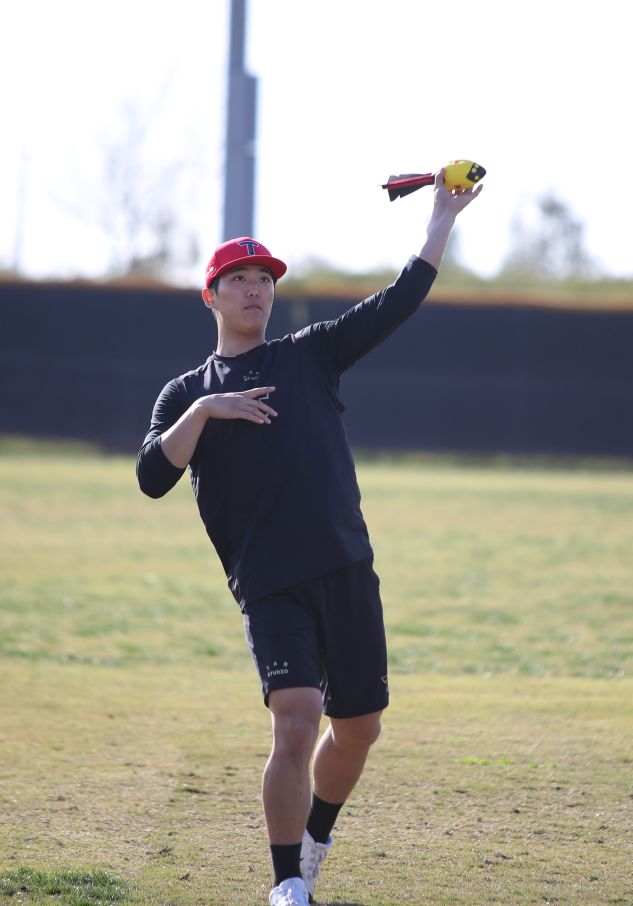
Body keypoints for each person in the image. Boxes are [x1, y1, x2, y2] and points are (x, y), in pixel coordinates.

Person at [137, 170, 482, 906]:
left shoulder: (310, 353)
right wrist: (207, 411)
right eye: (238, 279)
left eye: (264, 279)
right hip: (269, 583)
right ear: (210, 297)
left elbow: (398, 300)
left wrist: (441, 219)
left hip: (345, 565)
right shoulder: (184, 394)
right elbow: (151, 477)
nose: (254, 289)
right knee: (295, 723)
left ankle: (315, 840)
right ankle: (287, 882)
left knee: (358, 729)